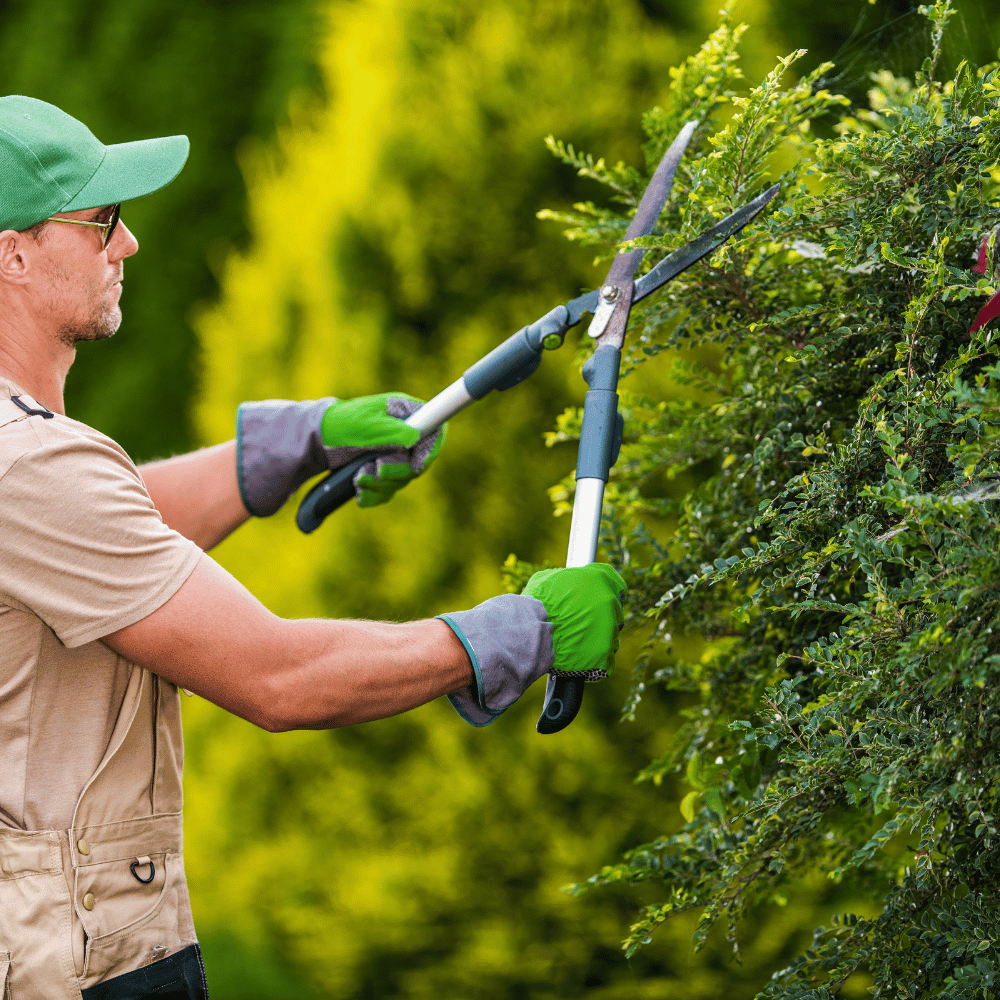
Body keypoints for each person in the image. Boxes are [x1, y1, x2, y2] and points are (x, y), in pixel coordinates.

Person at [0, 95, 626, 1000]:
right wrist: (514, 634)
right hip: (81, 974)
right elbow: (280, 678)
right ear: (12, 254)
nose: (127, 245)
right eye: (101, 223)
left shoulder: (27, 456)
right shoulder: (33, 465)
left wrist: (295, 441)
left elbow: (106, 531)